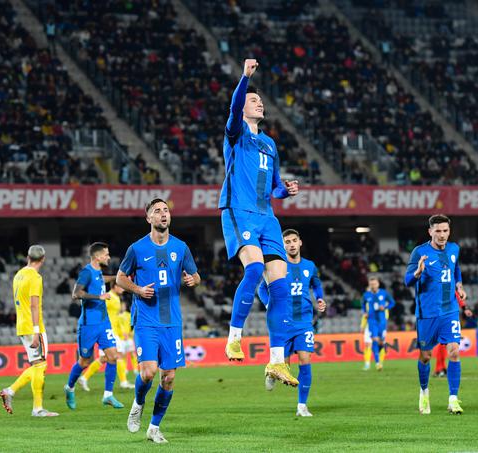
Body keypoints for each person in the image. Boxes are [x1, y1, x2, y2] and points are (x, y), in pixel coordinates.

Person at [220, 58, 299, 387]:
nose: (259, 103)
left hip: (267, 217)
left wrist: (286, 190)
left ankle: (277, 362)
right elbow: (236, 102)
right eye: (254, 100)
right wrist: (245, 78)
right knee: (254, 269)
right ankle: (234, 336)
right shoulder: (236, 134)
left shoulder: (269, 144)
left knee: (280, 287)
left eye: (260, 100)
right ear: (242, 109)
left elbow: (275, 185)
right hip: (239, 210)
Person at [116, 198, 201, 444]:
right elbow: (121, 278)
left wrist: (192, 280)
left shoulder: (181, 247)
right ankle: (138, 403)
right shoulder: (137, 248)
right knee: (148, 372)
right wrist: (139, 290)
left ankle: (154, 427)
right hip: (146, 319)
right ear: (149, 218)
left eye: (166, 210)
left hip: (171, 321)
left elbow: (196, 275)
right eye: (157, 211)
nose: (163, 214)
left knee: (169, 377)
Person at [258, 229, 326, 416]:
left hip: (304, 321)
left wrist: (319, 298)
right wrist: (268, 303)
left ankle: (302, 406)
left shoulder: (310, 266)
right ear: (283, 245)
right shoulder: (277, 266)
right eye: (287, 242)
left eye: (294, 240)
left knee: (305, 359)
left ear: (300, 242)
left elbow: (316, 284)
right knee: (284, 365)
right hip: (283, 322)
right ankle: (272, 371)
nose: (291, 244)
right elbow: (262, 289)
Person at [405, 214, 467, 415]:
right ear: (430, 231)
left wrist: (459, 285)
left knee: (454, 351)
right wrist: (418, 273)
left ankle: (453, 399)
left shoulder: (454, 249)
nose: (442, 235)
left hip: (450, 310)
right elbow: (407, 281)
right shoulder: (419, 252)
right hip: (428, 313)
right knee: (425, 356)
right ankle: (424, 392)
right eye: (438, 231)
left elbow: (456, 269)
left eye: (445, 231)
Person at [0, 245, 58, 417]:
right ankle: (36, 408)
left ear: (27, 257)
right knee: (41, 364)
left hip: (22, 324)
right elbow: (33, 305)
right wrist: (37, 331)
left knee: (37, 365)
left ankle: (13, 393)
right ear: (43, 259)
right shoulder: (35, 277)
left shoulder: (18, 275)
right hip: (33, 326)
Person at [64, 242, 123, 410]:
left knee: (113, 356)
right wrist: (99, 297)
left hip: (103, 323)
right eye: (106, 254)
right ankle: (69, 387)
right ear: (97, 257)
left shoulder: (97, 273)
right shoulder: (86, 272)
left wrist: (118, 278)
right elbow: (76, 294)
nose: (109, 257)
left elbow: (102, 279)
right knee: (84, 362)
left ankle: (108, 396)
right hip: (88, 325)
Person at [77, 283, 134, 391]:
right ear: (114, 286)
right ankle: (123, 382)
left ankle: (84, 378)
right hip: (108, 331)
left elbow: (115, 317)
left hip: (113, 331)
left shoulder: (116, 297)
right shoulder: (109, 296)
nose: (122, 288)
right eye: (120, 286)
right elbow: (98, 307)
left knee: (107, 358)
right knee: (117, 355)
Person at [434, 291, 472, 377]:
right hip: (441, 316)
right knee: (443, 343)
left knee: (444, 344)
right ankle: (439, 368)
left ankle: (441, 368)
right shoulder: (442, 285)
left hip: (448, 317)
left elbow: (457, 296)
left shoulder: (448, 286)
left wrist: (464, 308)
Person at [361, 276, 396, 371]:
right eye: (371, 284)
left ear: (378, 284)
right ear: (369, 285)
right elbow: (363, 304)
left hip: (382, 321)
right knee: (374, 340)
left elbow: (392, 303)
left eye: (374, 284)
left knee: (381, 342)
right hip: (372, 321)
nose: (373, 286)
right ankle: (377, 363)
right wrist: (364, 312)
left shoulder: (383, 293)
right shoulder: (366, 295)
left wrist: (385, 307)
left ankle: (379, 360)